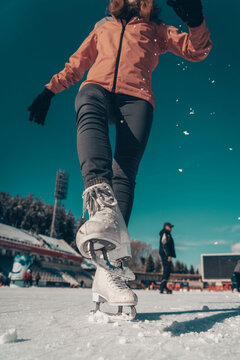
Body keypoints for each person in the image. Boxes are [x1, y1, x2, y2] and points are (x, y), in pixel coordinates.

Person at [28, 0, 212, 318]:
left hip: (137, 97)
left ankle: (110, 265)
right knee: (86, 101)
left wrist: (196, 22)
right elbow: (77, 64)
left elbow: (196, 50)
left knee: (125, 169)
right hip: (97, 87)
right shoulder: (103, 26)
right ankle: (100, 198)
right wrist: (49, 89)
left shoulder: (156, 30)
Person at [159, 222, 176, 294]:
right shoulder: (165, 234)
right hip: (165, 255)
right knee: (166, 270)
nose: (171, 228)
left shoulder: (168, 234)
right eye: (170, 227)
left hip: (167, 255)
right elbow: (164, 245)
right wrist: (168, 255)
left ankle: (164, 286)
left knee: (168, 270)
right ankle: (162, 287)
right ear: (166, 227)